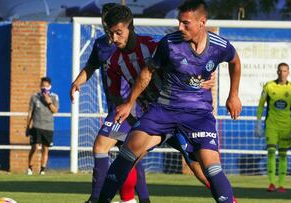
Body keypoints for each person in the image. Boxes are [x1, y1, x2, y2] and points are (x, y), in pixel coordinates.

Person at [99, 0, 241, 202]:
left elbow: (235, 61)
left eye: (186, 23)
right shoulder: (169, 43)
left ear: (202, 22)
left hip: (197, 114)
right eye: (179, 22)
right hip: (164, 110)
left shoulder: (220, 46)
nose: (180, 27)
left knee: (209, 165)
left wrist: (233, 95)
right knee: (128, 150)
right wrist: (130, 102)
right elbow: (147, 72)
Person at [70, 3, 150, 203]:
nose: (108, 25)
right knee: (129, 156)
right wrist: (77, 82)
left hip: (131, 108)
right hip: (116, 107)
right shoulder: (101, 45)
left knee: (100, 147)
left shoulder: (134, 45)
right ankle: (133, 199)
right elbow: (91, 66)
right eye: (106, 21)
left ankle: (96, 199)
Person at [255, 62, 291, 192]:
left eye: (285, 71)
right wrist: (258, 122)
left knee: (283, 155)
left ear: (288, 72)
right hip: (271, 125)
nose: (282, 73)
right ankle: (271, 183)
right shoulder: (269, 86)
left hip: (286, 127)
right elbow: (261, 105)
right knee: (270, 152)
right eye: (280, 71)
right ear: (277, 72)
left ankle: (281, 184)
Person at [26, 77, 59, 175]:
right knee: (34, 147)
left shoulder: (54, 97)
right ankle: (30, 167)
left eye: (46, 86)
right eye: (42, 86)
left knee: (45, 148)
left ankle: (42, 169)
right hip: (36, 125)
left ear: (50, 86)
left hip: (48, 127)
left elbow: (55, 111)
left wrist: (48, 102)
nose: (44, 88)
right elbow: (30, 113)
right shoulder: (35, 97)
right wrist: (28, 127)